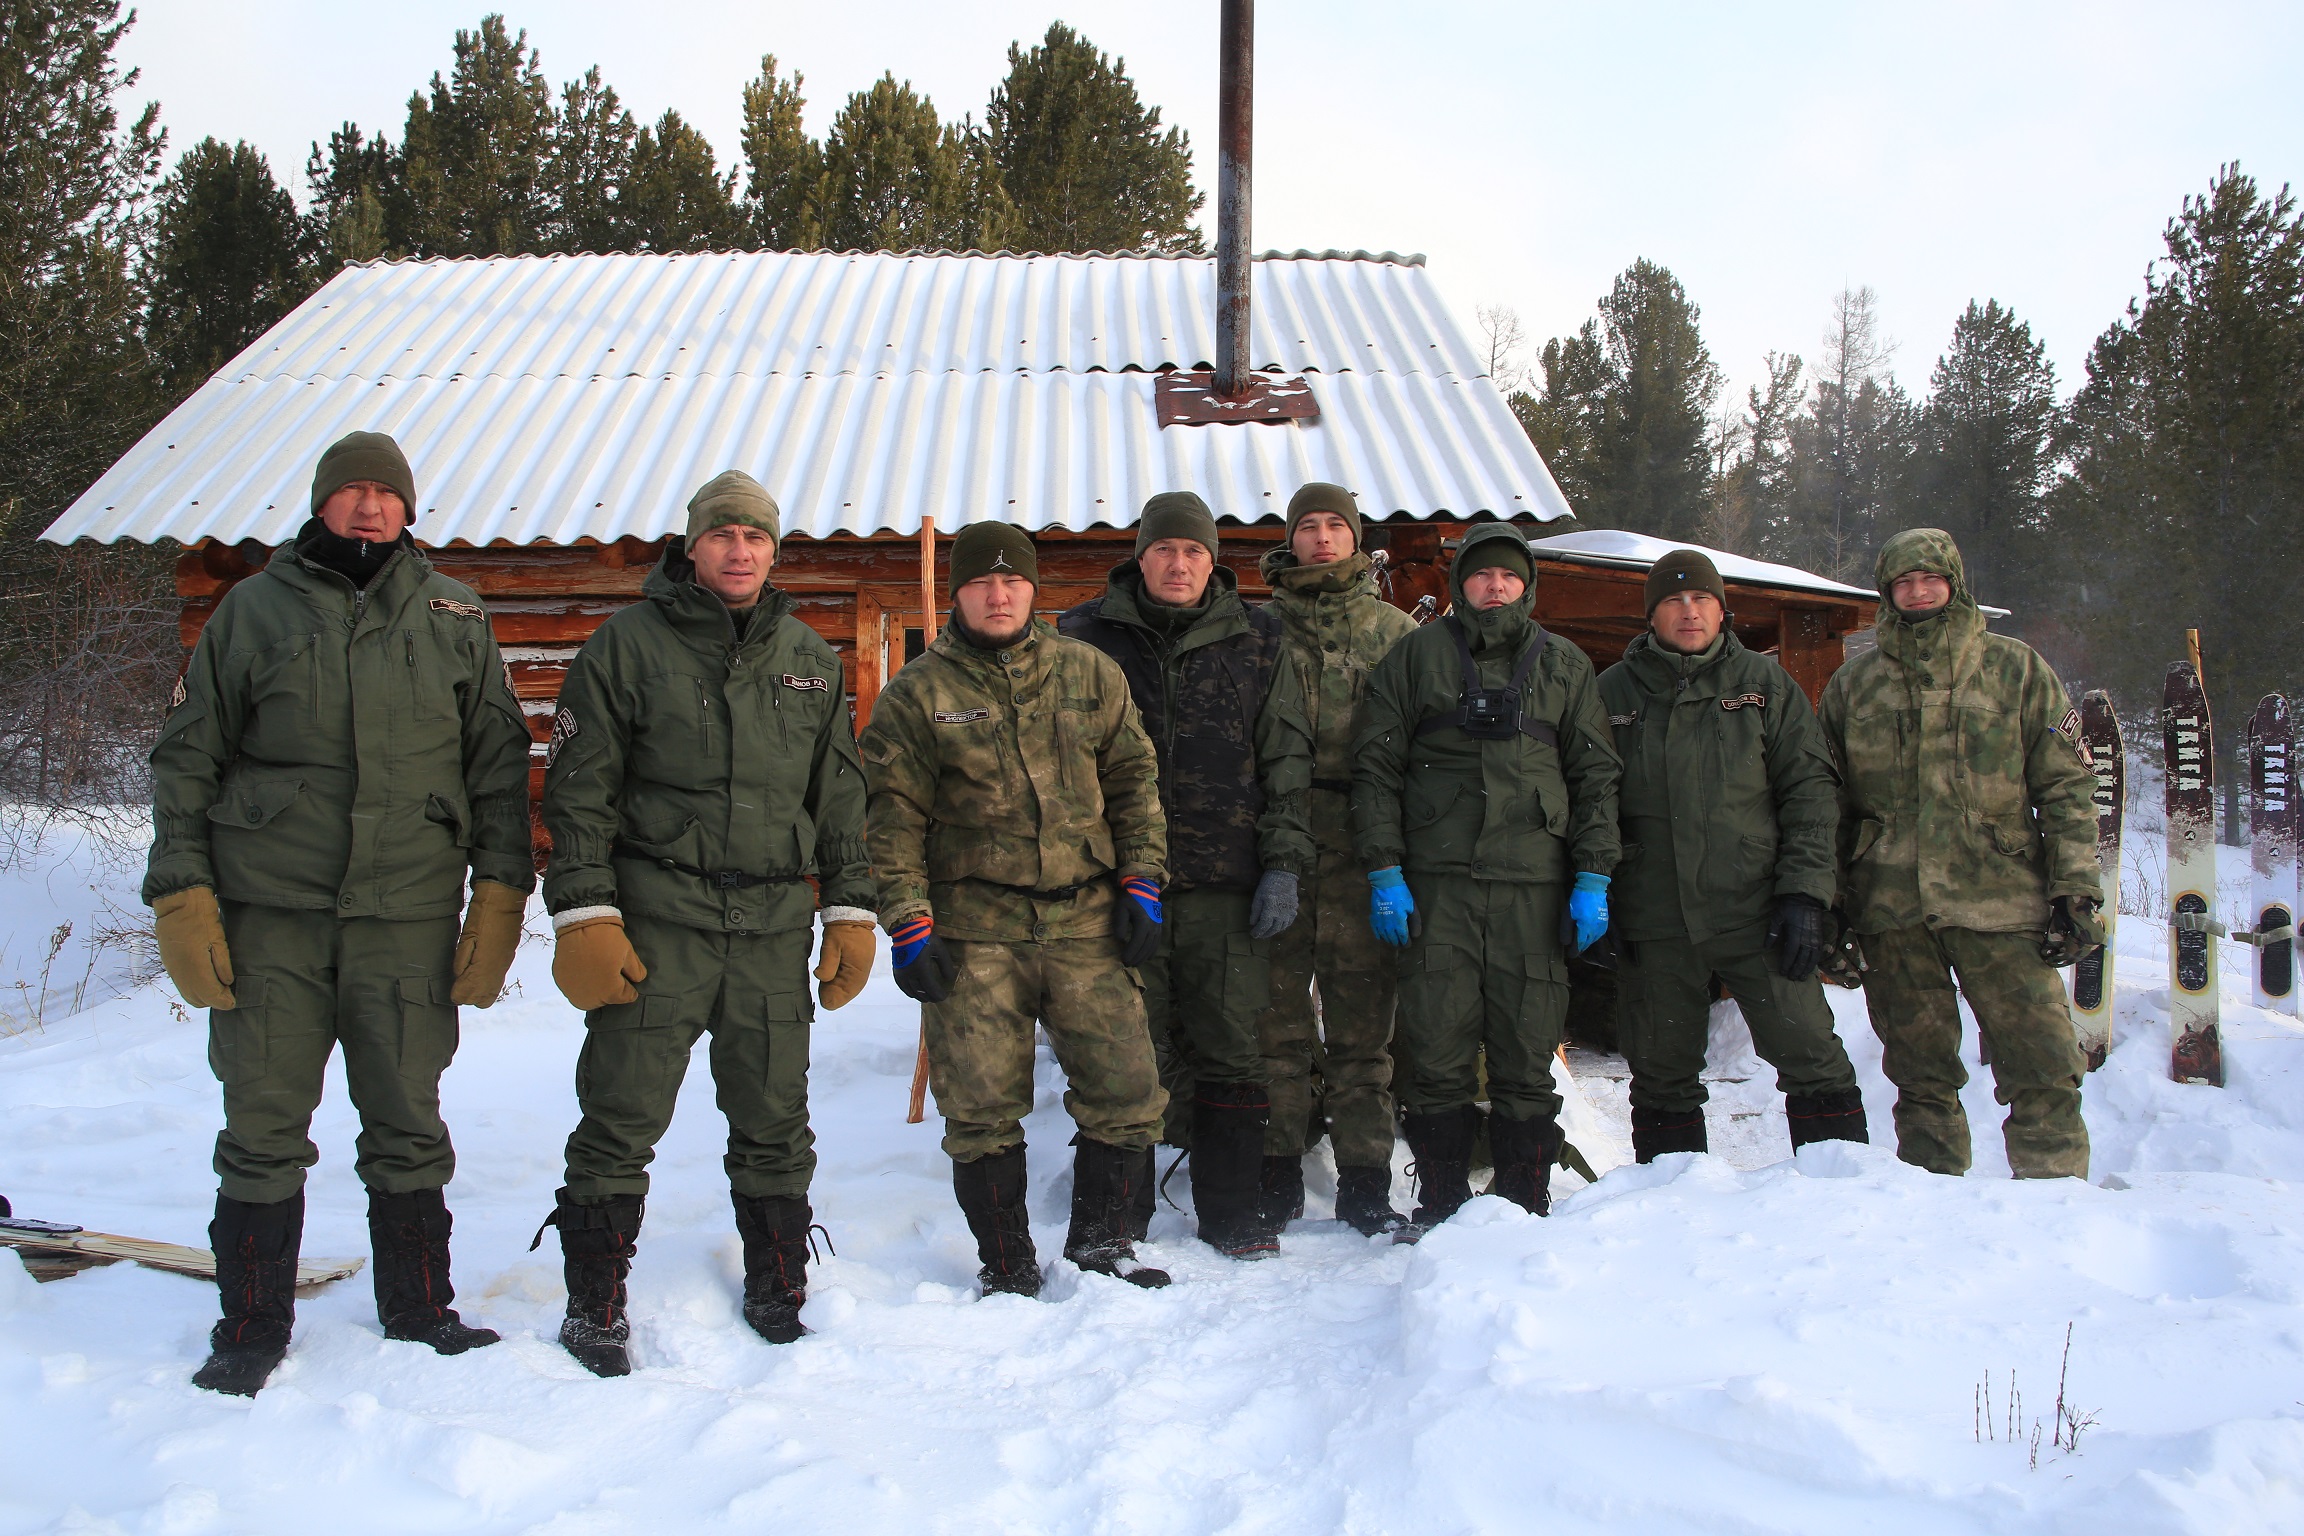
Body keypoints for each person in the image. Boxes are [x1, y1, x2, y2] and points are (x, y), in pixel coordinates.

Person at [145, 430, 533, 1395]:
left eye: (386, 492)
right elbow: (188, 756)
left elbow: (496, 765)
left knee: (407, 1113)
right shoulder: (252, 610)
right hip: (271, 911)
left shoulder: (454, 614)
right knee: (263, 1120)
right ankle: (250, 1326)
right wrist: (181, 887)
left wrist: (500, 891)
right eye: (352, 489)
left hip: (406, 912)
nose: (369, 505)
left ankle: (419, 1307)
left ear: (409, 509)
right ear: (321, 502)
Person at [535, 471, 876, 1377]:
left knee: (776, 1116)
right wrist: (584, 912)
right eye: (722, 534)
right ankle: (594, 1303)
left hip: (771, 924)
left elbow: (840, 796)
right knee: (620, 1114)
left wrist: (849, 909)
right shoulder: (626, 648)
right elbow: (579, 792)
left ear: (774, 551)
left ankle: (778, 1286)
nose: (739, 550)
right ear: (692, 547)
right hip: (659, 920)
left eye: (755, 537)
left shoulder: (809, 658)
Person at [860, 522, 1172, 1297]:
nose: (998, 595)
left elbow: (1134, 782)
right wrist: (908, 921)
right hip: (975, 928)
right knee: (980, 1106)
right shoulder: (918, 694)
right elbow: (891, 817)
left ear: (1034, 589)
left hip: (1086, 919)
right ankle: (1006, 1264)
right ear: (957, 593)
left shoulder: (1089, 672)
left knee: (1126, 1088)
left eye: (1013, 580)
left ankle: (1103, 1244)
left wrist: (1142, 880)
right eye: (980, 582)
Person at [1058, 491, 1311, 1257]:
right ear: (1140, 557)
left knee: (1231, 1046)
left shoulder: (1260, 638)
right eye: (1164, 549)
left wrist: (1283, 864)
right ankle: (1116, 1216)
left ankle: (1232, 1212)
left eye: (1193, 551)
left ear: (1213, 562)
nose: (1178, 564)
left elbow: (1286, 759)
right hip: (1113, 885)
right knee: (1119, 1051)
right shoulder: (1081, 635)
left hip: (1224, 883)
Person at [1352, 523, 1621, 1235]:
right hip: (1437, 887)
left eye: (1508, 576)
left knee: (1526, 1052)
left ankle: (1525, 1203)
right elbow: (1375, 769)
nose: (1494, 587)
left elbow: (1596, 777)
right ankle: (1442, 1203)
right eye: (1481, 574)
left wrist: (1593, 877)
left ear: (1526, 586)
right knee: (1435, 1048)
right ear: (1459, 584)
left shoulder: (1563, 663)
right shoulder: (1416, 657)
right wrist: (1385, 870)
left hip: (1534, 888)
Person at [1819, 528, 2102, 1179]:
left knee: (2043, 1062)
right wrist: (1827, 901)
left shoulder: (2015, 670)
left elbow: (2066, 786)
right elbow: (1825, 803)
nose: (1918, 591)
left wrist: (2074, 888)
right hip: (1892, 907)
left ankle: (2057, 1200)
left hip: (2000, 902)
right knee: (1919, 1075)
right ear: (1886, 592)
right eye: (1904, 581)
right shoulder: (1854, 687)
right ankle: (1935, 1202)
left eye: (1931, 578)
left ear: (1955, 583)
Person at [1597, 549, 1868, 1161]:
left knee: (1809, 1051)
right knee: (1661, 1070)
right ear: (1651, 616)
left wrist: (1805, 894)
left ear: (1723, 612)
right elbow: (1590, 798)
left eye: (1702, 600)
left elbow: (1810, 792)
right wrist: (1598, 889)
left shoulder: (1764, 687)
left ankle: (1841, 1188)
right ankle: (1674, 1196)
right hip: (1654, 914)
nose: (1689, 612)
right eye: (1673, 601)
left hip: (1758, 907)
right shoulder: (1611, 692)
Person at [1253, 483, 1418, 1235]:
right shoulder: (1258, 630)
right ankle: (1277, 1171)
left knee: (1362, 1032)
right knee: (1276, 1026)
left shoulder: (1396, 634)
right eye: (1308, 526)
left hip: (1366, 849)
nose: (1322, 538)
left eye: (1336, 526)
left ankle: (1364, 1181)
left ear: (1357, 539)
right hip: (1278, 845)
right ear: (1290, 540)